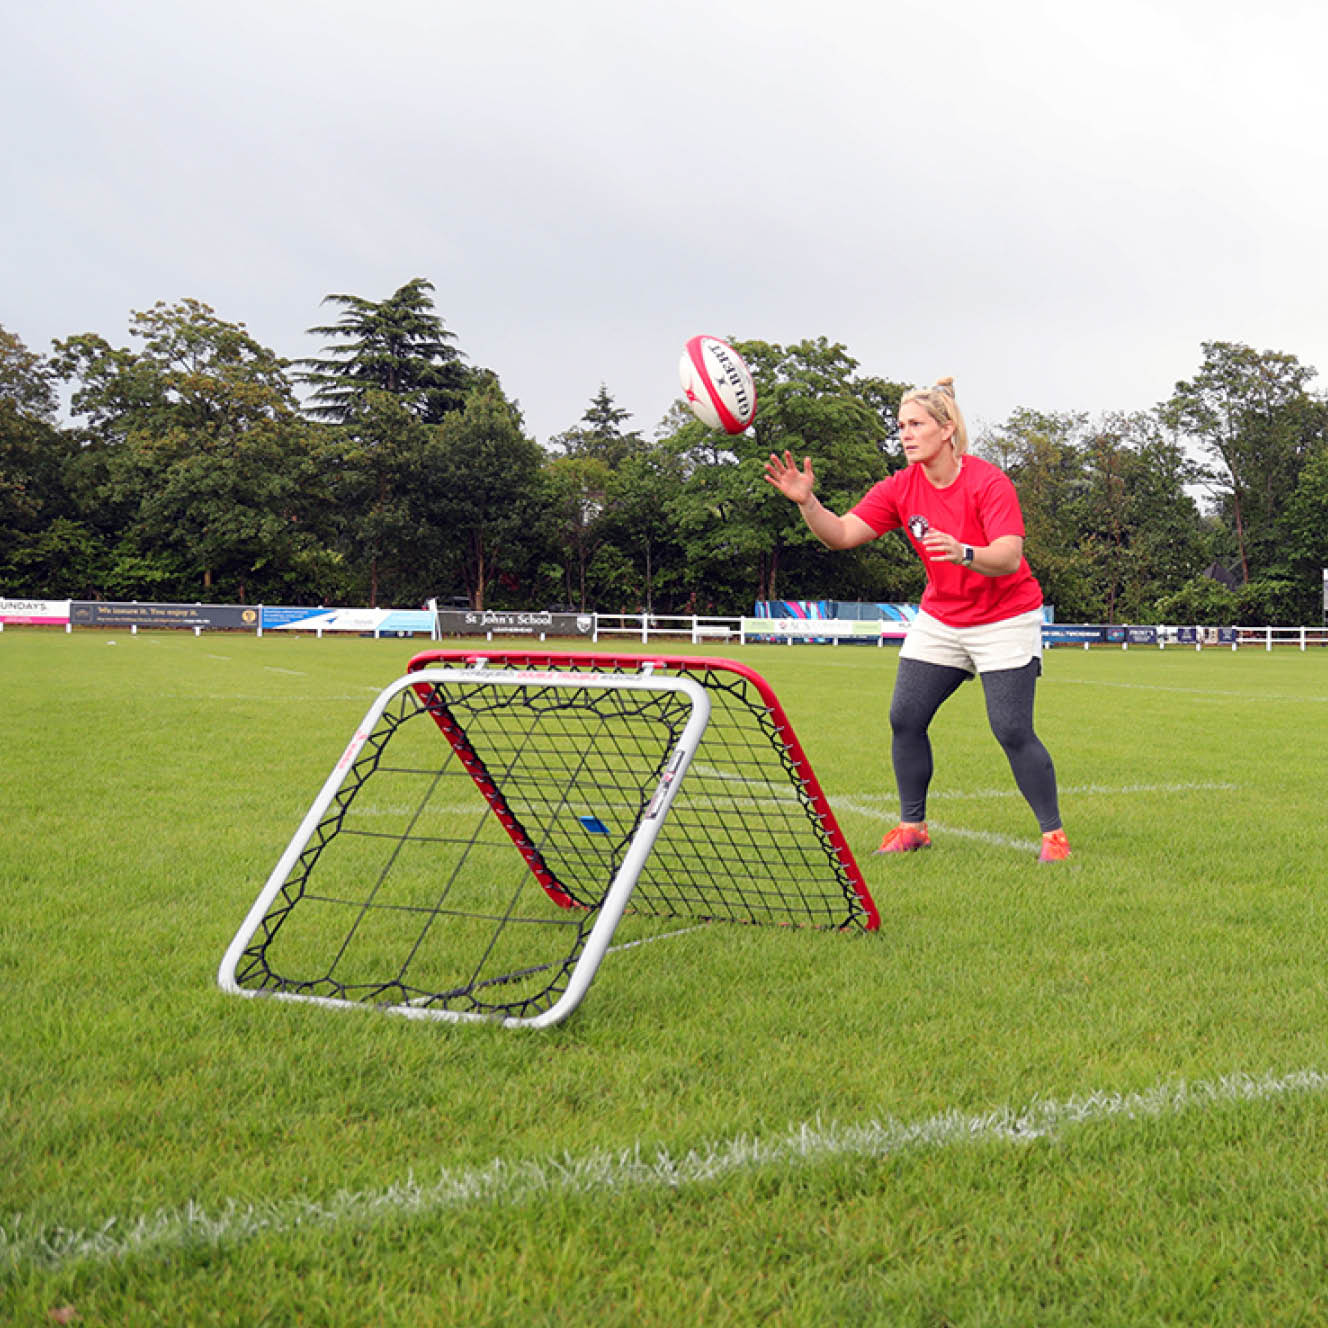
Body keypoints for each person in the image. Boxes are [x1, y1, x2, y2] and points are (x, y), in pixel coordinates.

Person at [762, 377, 1070, 862]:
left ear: (947, 430)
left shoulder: (988, 482)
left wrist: (964, 552)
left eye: (916, 424)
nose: (905, 434)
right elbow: (841, 534)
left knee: (1011, 728)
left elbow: (1009, 557)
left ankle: (1053, 837)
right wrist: (808, 503)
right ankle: (913, 828)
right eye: (901, 425)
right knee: (905, 718)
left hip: (1005, 616)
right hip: (943, 617)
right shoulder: (899, 487)